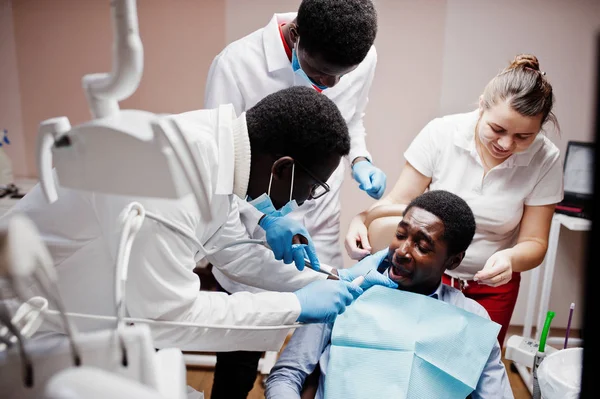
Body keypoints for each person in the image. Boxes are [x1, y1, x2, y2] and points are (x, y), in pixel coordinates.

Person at [0, 87, 394, 350]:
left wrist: (332, 277)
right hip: (25, 325)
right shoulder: (168, 176)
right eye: (312, 190)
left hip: (82, 311)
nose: (306, 202)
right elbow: (167, 316)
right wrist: (296, 306)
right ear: (283, 170)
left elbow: (234, 252)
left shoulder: (216, 154)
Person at [204, 1, 385, 395]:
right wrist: (266, 215)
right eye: (321, 73)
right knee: (245, 338)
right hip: (247, 220)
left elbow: (351, 117)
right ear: (297, 33)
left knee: (318, 330)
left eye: (342, 76)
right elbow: (221, 165)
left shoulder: (358, 52)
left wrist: (359, 159)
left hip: (320, 215)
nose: (330, 84)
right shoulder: (236, 66)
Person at [345, 54, 564, 348]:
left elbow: (535, 243)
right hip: (429, 276)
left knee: (473, 368)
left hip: (492, 288)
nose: (506, 144)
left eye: (523, 136)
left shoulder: (545, 158)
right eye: (497, 129)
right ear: (482, 104)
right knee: (412, 354)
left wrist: (510, 258)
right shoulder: (441, 134)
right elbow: (399, 203)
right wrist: (362, 219)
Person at [265, 190, 514, 399]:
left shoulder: (470, 318)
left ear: (453, 260)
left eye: (422, 246)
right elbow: (285, 376)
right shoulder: (341, 293)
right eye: (400, 235)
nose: (402, 251)